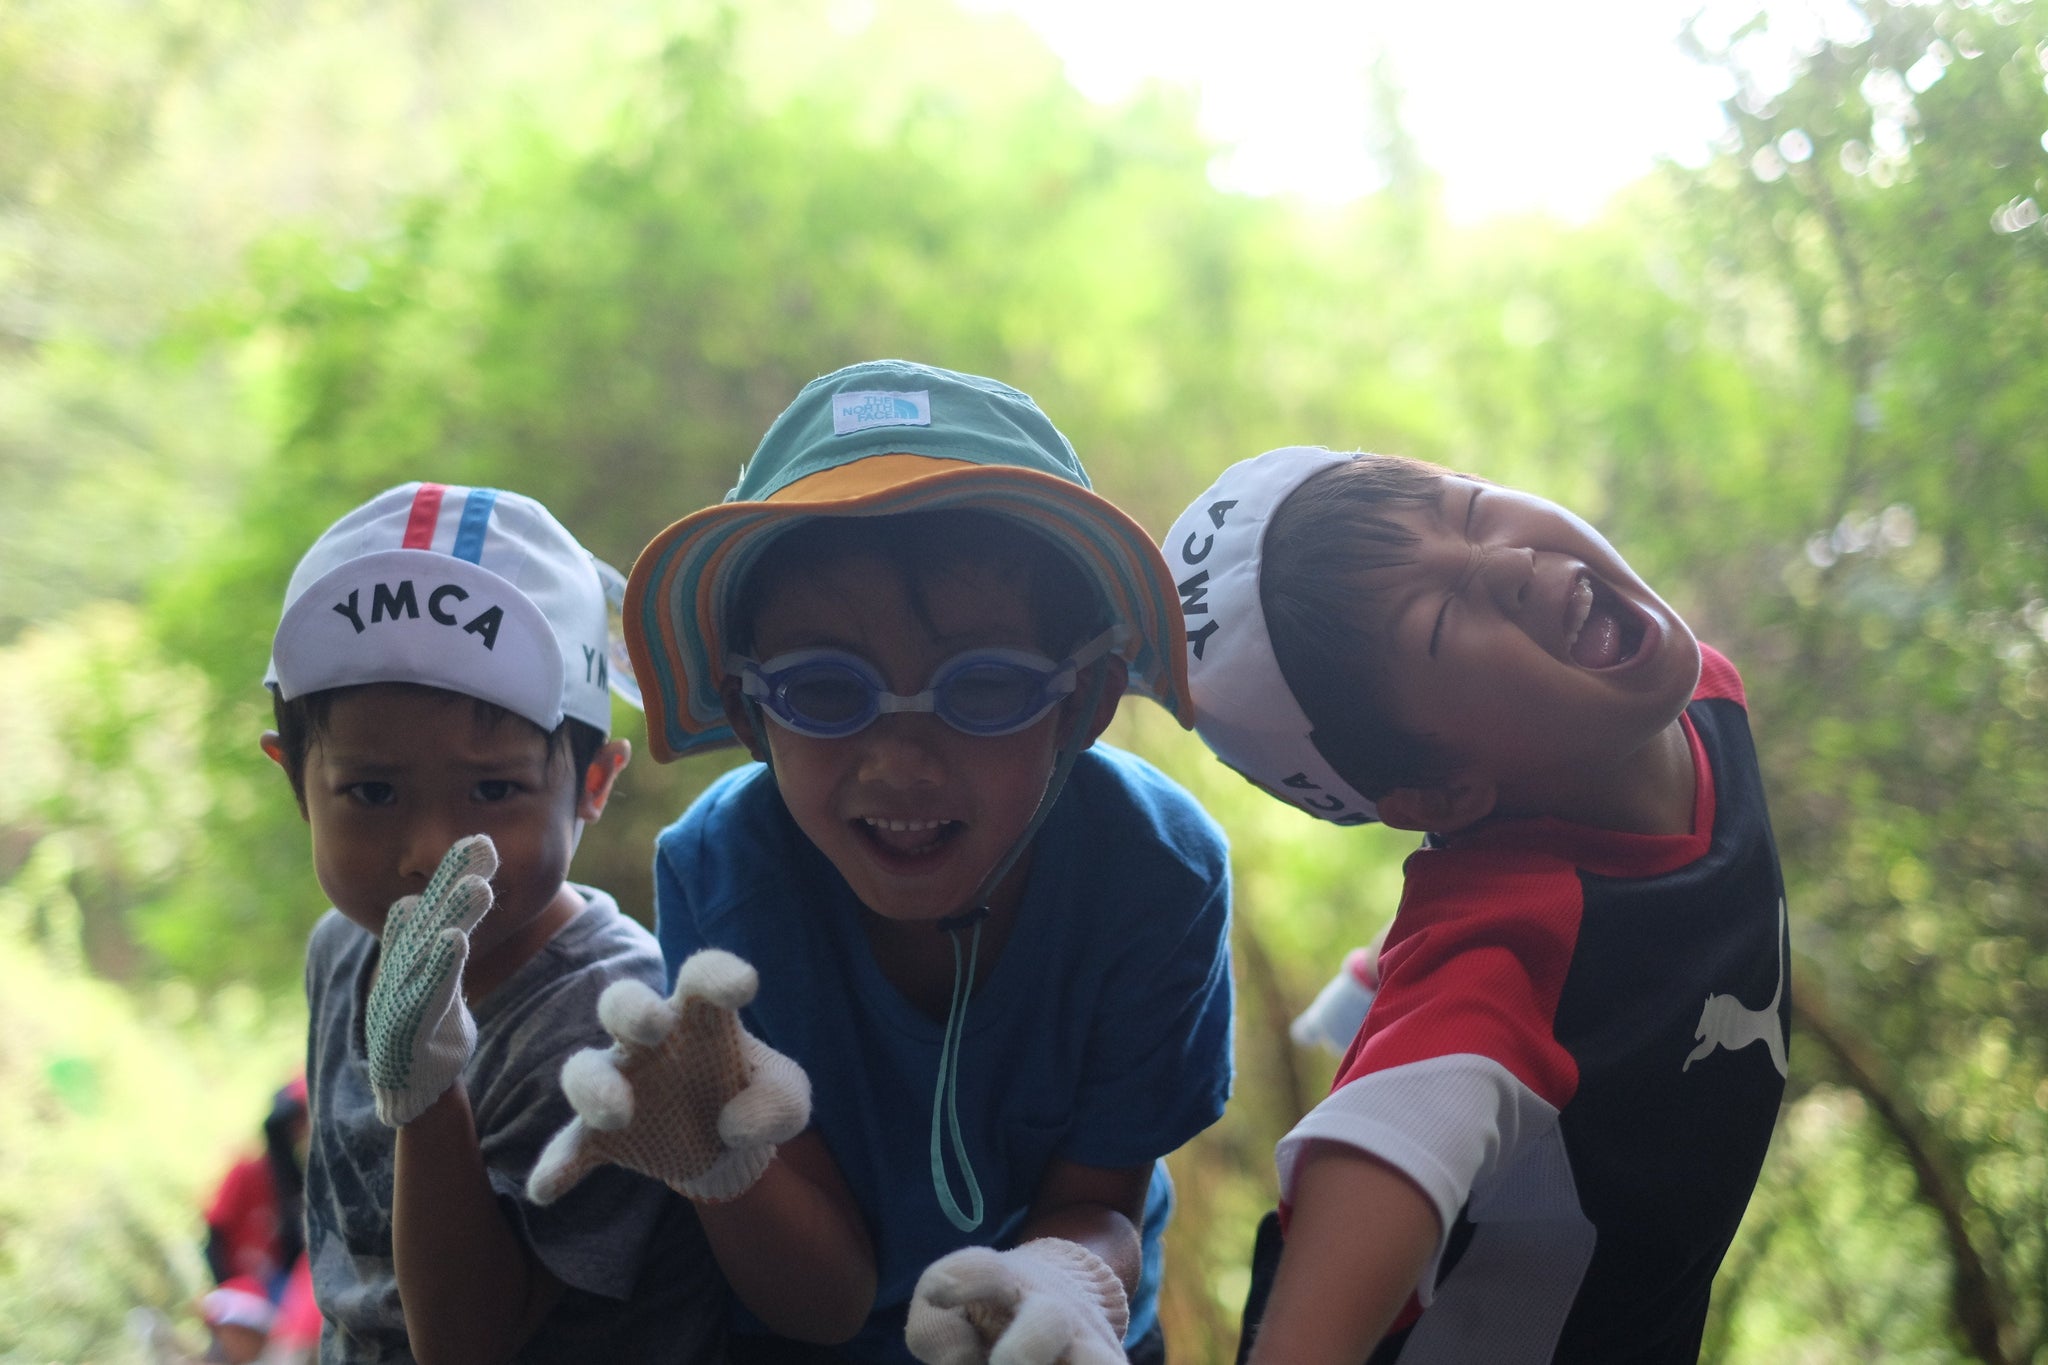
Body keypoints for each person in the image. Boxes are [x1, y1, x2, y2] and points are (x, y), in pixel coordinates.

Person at [527, 360, 1236, 1364]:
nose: (900, 761)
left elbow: (1096, 1204)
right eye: (823, 689)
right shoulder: (720, 870)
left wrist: (1060, 1282)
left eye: (984, 688)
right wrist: (717, 1164)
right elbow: (818, 1302)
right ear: (748, 714)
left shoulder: (1153, 871)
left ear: (1079, 704)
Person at [1163, 447, 1790, 1364]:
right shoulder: (1490, 991)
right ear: (1443, 791)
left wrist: (1368, 982)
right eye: (1441, 623)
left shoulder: (1703, 697)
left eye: (1467, 508)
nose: (1510, 564)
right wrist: (1408, 1008)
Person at [258, 481, 726, 1362]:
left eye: (493, 789)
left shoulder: (616, 1020)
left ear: (594, 782)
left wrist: (429, 1096)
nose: (431, 847)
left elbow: (469, 1344)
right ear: (294, 778)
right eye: (372, 791)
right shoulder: (344, 946)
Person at [202, 1077, 308, 1299]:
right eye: (297, 1123)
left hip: (284, 1275)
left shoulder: (297, 1179)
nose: (301, 1132)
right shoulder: (246, 1172)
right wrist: (230, 1288)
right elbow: (214, 1230)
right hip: (253, 1287)